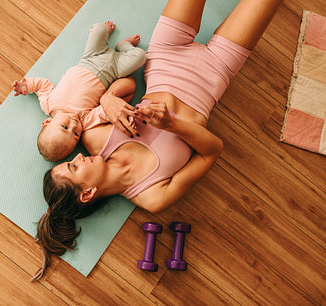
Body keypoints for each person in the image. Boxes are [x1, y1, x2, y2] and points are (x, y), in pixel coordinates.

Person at [31, 0, 283, 281]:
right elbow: (212, 151)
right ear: (87, 193)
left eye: (70, 161)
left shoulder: (93, 137)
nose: (76, 157)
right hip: (216, 72)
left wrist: (108, 98)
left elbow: (123, 87)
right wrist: (173, 125)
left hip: (167, 55)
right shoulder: (152, 196)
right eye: (74, 168)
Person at [12, 21, 146, 162]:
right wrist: (125, 116)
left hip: (89, 58)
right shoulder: (85, 121)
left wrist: (26, 85)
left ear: (47, 122)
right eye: (76, 134)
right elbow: (106, 111)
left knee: (98, 29)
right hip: (112, 71)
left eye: (64, 127)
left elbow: (42, 85)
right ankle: (123, 46)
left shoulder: (48, 104)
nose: (74, 125)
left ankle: (105, 36)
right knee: (140, 56)